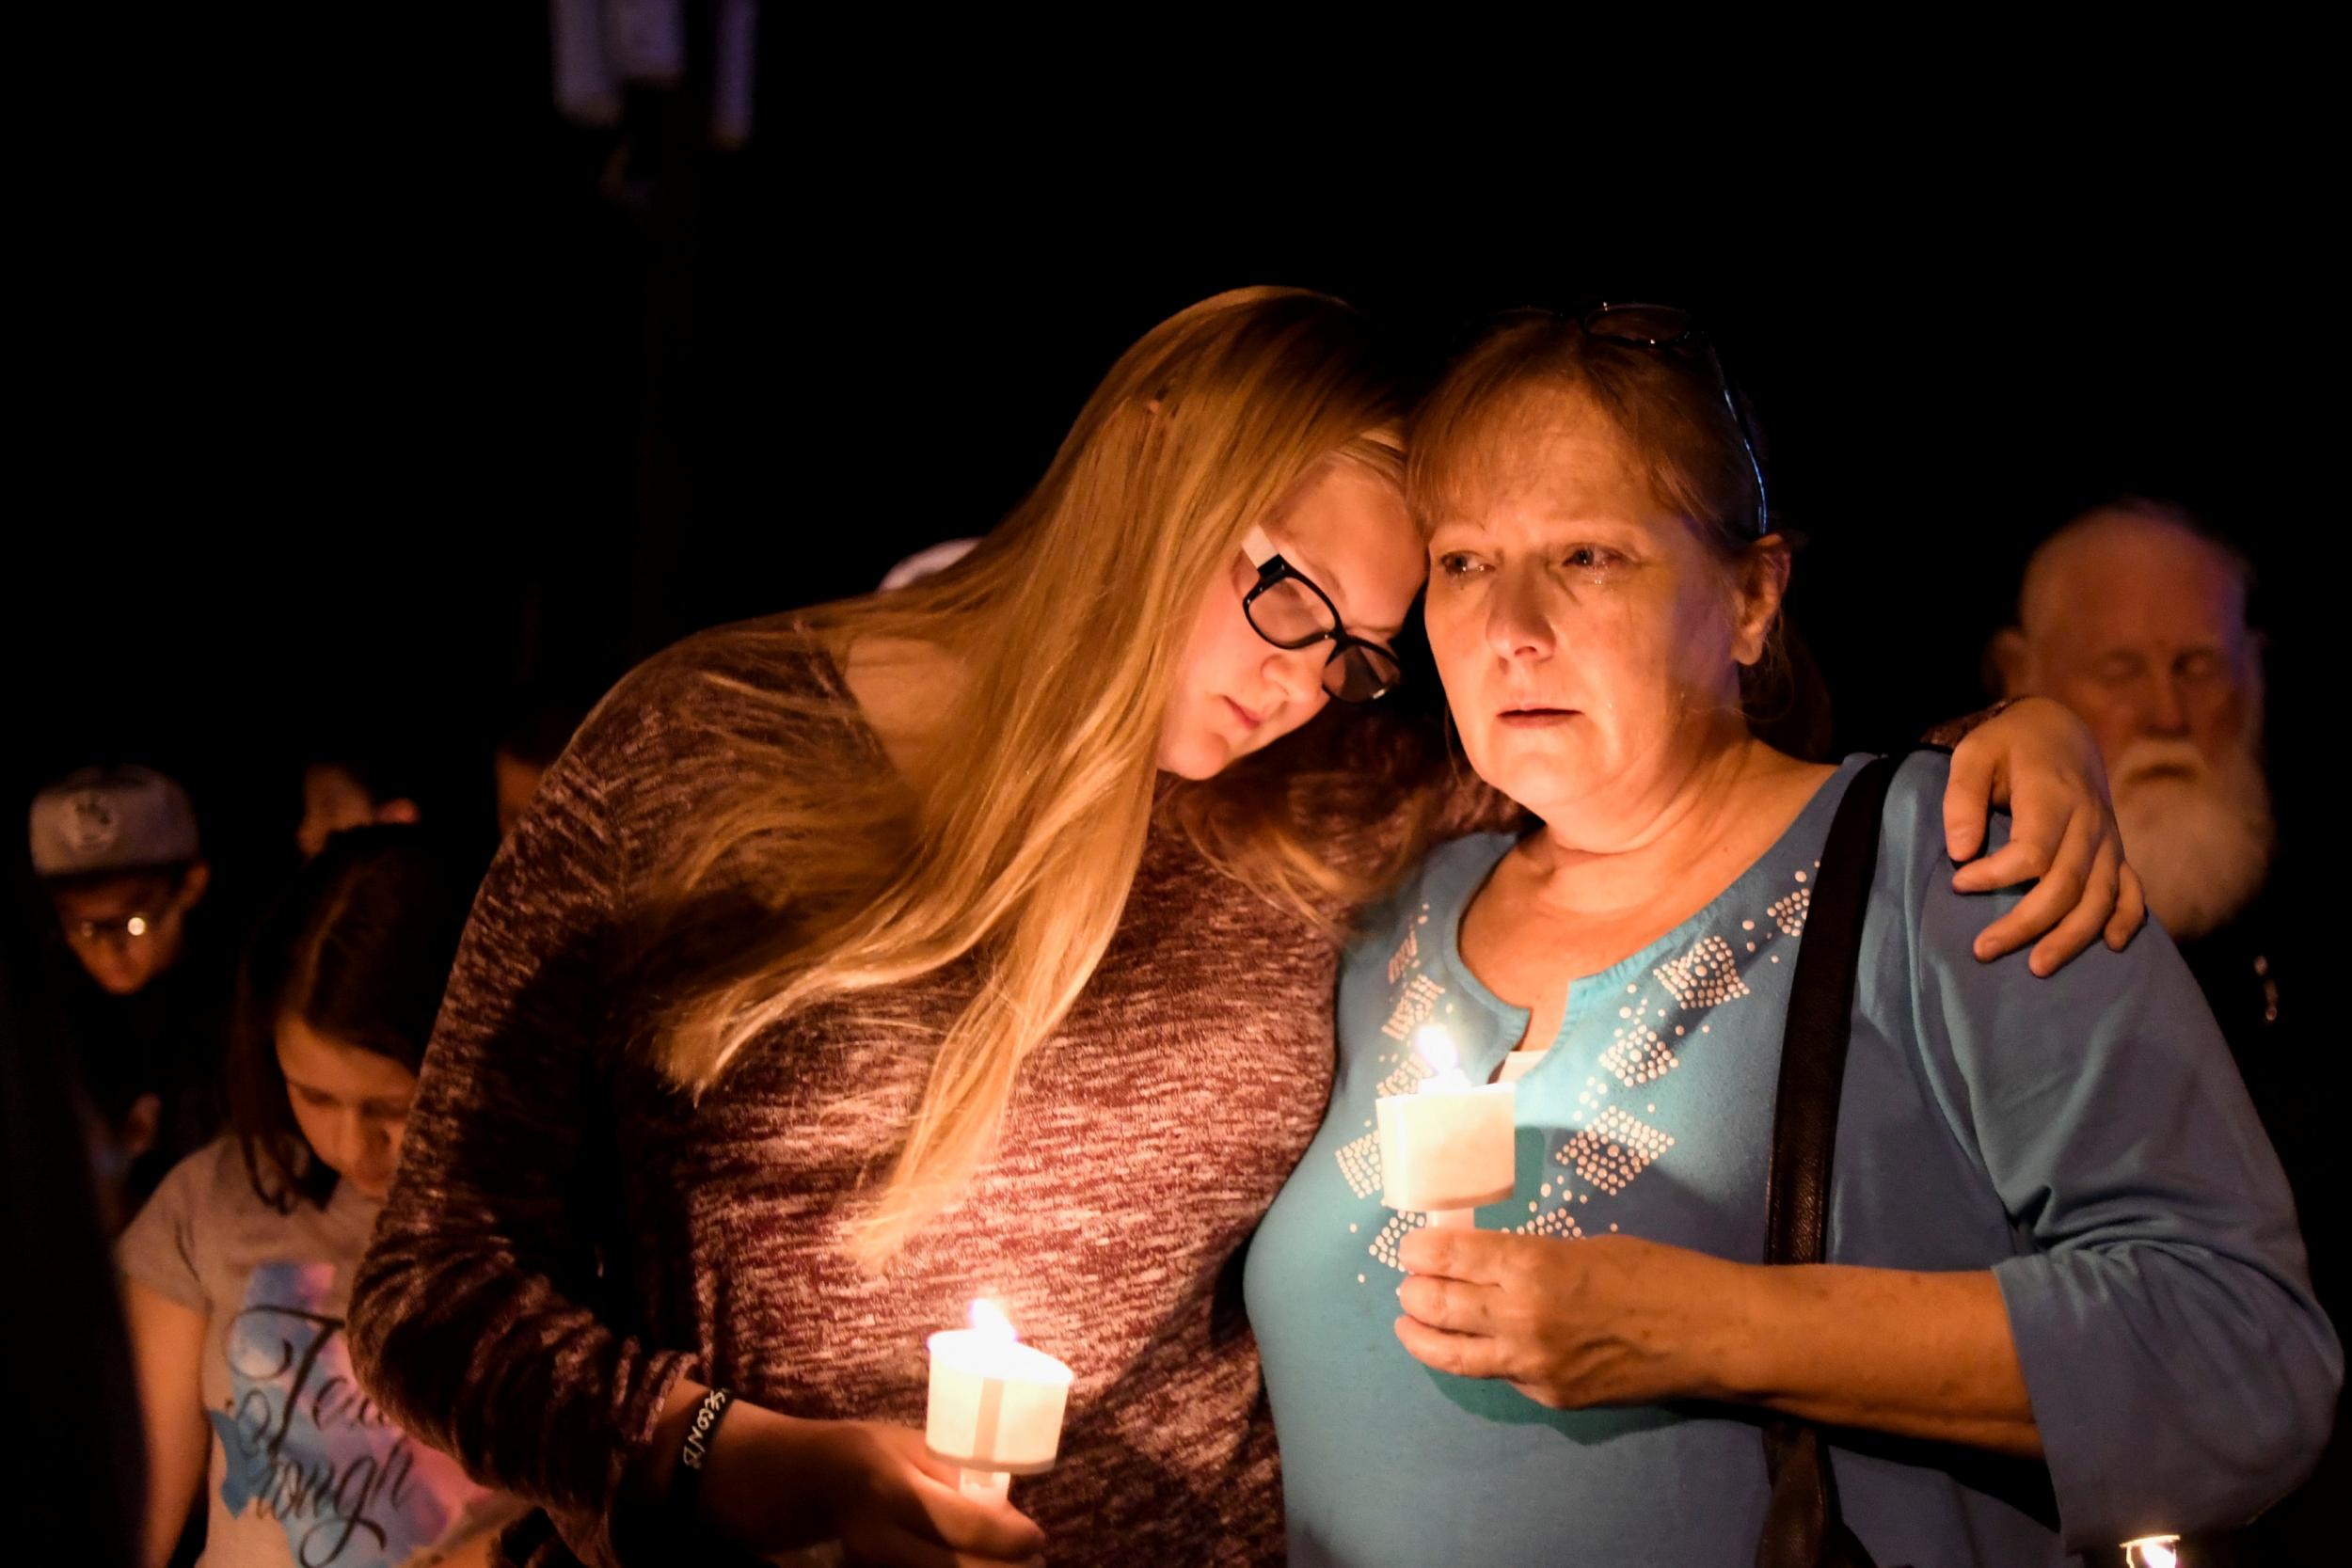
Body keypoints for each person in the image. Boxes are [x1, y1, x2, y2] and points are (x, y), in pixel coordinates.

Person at [346, 288, 2139, 1568]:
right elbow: (427, 1289)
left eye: (1360, 645)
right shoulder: (701, 746)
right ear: (1149, 471)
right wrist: (744, 1463)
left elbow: (1687, 775)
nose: (1309, 686)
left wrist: (2005, 739)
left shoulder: (1342, 800)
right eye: (1283, 594)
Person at [1245, 305, 2336, 1566]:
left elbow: (2243, 1353)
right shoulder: (1388, 913)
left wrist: (1717, 1325)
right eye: (1466, 562)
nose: (1512, 626)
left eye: (1590, 555)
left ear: (1752, 596)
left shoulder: (1953, 859)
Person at [1989, 497, 2330, 1562]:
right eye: (2120, 669)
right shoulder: (1967, 934)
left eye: (2197, 665)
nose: (2167, 713)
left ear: (2255, 672)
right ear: (2020, 675)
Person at [118, 827, 526, 1568]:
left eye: (393, 1107)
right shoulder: (211, 1202)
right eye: (312, 1095)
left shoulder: (552, 1233)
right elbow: (127, 1516)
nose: (350, 1144)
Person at [31, 764, 229, 1230]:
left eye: (132, 922)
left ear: (191, 885)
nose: (108, 949)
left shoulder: (241, 1013)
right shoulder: (46, 1026)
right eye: (82, 925)